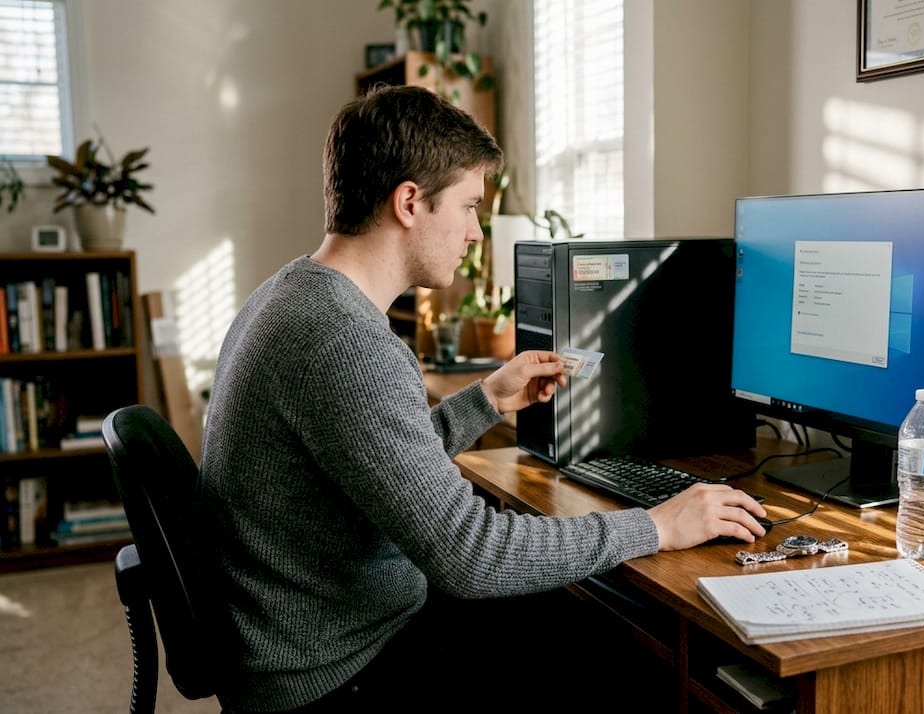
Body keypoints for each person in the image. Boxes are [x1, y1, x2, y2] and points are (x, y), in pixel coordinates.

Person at [198, 84, 768, 713]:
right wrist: (656, 524)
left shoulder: (289, 294)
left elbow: (373, 464)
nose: (474, 231)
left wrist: (485, 400)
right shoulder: (344, 341)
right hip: (337, 671)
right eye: (469, 206)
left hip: (307, 633)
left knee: (578, 609)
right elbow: (469, 556)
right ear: (410, 202)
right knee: (615, 655)